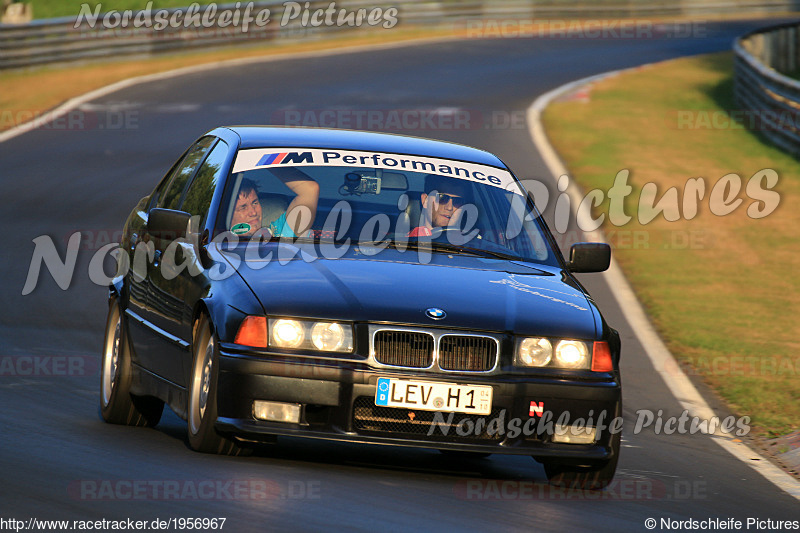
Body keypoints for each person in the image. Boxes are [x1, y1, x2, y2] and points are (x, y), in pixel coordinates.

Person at [230, 173, 319, 238]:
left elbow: (310, 190)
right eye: (243, 207)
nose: (253, 212)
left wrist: (265, 159)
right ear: (227, 214)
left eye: (255, 203)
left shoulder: (278, 232)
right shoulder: (219, 245)